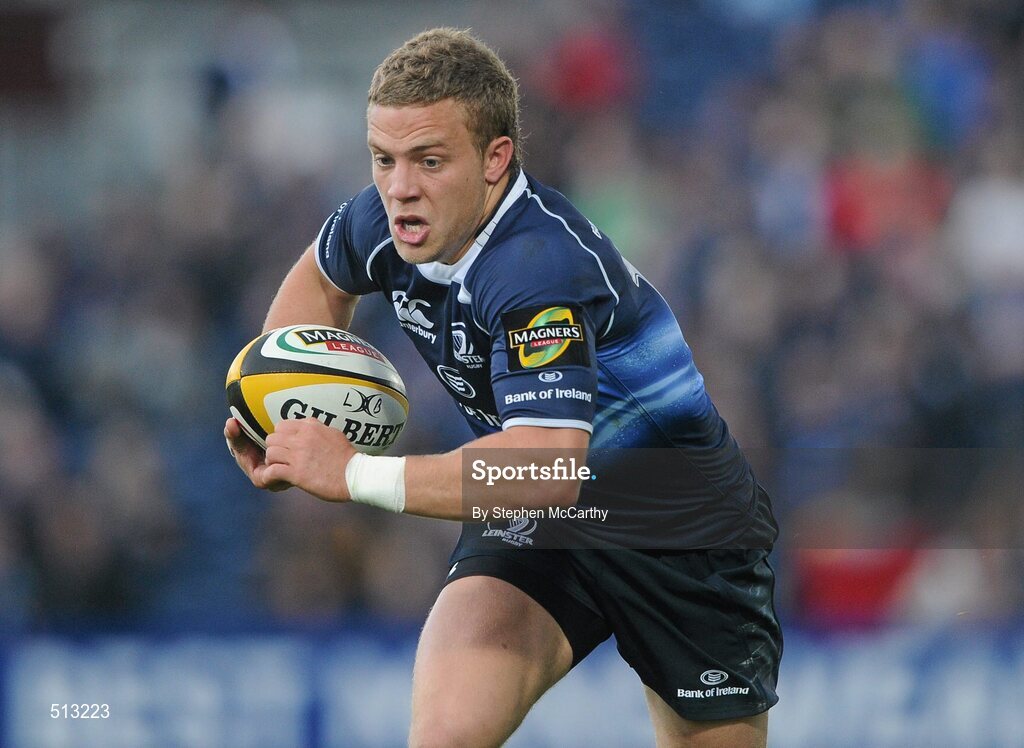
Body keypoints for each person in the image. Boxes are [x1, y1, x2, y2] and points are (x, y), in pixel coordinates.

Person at [225, 27, 781, 748]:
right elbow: (322, 277)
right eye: (383, 159)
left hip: (680, 537)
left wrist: (354, 473)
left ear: (496, 159)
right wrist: (273, 409)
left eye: (429, 160)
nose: (399, 188)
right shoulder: (387, 218)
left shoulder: (534, 266)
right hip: (538, 521)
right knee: (446, 736)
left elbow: (549, 467)